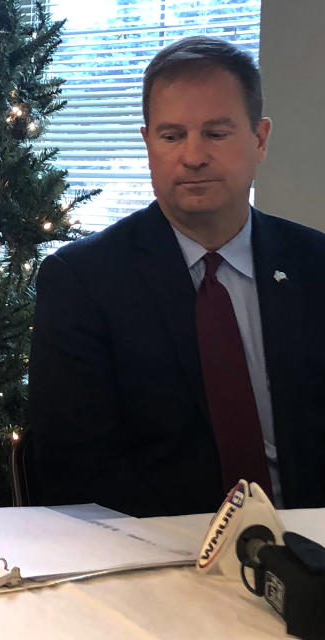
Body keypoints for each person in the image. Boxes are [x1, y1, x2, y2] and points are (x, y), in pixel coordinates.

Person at [28, 36, 325, 517]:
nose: (193, 156)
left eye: (216, 132)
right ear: (149, 145)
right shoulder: (81, 282)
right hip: (157, 561)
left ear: (260, 139)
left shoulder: (316, 266)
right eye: (172, 136)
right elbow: (74, 475)